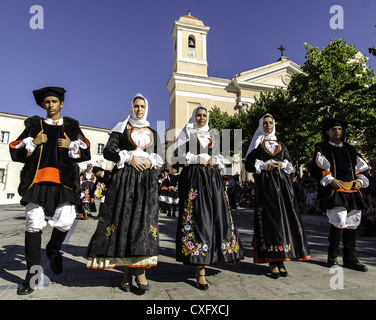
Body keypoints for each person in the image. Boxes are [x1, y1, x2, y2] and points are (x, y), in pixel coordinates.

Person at [9, 86, 91, 295]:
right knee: (33, 225)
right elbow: (15, 149)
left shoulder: (71, 125)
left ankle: (53, 251)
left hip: (64, 181)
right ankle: (32, 275)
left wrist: (71, 144)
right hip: (37, 180)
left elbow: (86, 150)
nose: (50, 105)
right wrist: (34, 143)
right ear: (43, 105)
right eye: (47, 102)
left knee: (65, 221)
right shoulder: (34, 125)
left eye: (54, 101)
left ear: (61, 104)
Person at [85, 93, 163, 292]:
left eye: (142, 106)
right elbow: (108, 151)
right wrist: (129, 159)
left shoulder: (154, 132)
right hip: (125, 180)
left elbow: (160, 156)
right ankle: (127, 272)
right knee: (124, 222)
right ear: (131, 108)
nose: (139, 109)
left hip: (146, 183)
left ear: (146, 108)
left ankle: (141, 271)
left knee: (143, 224)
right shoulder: (121, 130)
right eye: (136, 106)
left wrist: (150, 161)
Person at [172, 105, 244, 290]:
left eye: (204, 115)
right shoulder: (187, 135)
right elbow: (175, 158)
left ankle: (212, 255)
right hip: (194, 180)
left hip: (213, 182)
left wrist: (216, 160)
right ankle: (200, 269)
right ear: (194, 117)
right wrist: (194, 159)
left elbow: (222, 158)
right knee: (198, 220)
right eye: (198, 115)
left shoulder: (214, 137)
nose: (202, 118)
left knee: (216, 219)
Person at [244, 113, 311, 279]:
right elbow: (249, 164)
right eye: (265, 123)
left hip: (283, 185)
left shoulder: (281, 144)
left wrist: (281, 164)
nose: (268, 126)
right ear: (261, 126)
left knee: (284, 219)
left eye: (270, 123)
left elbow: (290, 164)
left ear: (274, 124)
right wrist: (265, 165)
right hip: (266, 185)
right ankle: (272, 261)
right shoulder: (258, 144)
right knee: (270, 220)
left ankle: (281, 259)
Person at [310, 117, 369, 271]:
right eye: (334, 129)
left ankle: (350, 257)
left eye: (339, 129)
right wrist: (330, 179)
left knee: (352, 222)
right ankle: (333, 256)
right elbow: (316, 169)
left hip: (351, 190)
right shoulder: (322, 148)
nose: (337, 131)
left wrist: (360, 181)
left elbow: (362, 169)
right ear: (328, 132)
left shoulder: (350, 149)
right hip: (335, 190)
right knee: (339, 220)